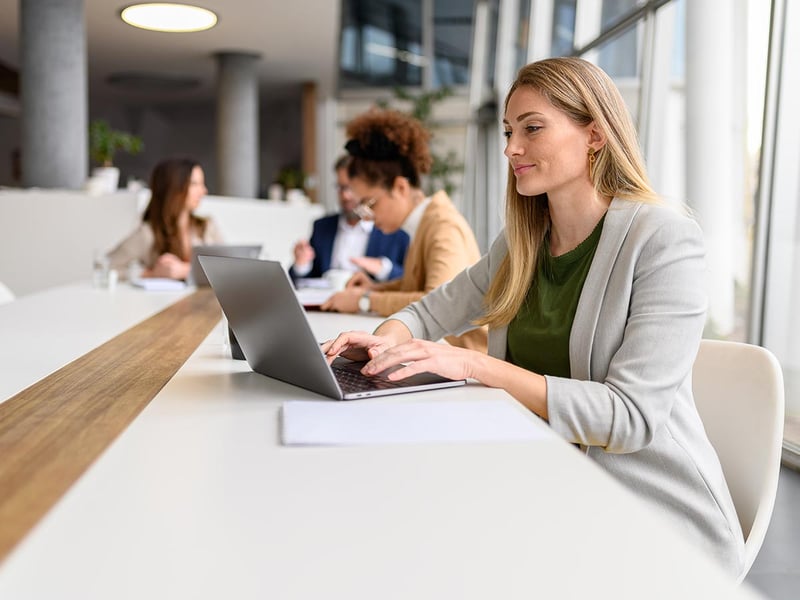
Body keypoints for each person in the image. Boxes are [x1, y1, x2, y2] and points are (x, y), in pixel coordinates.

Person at [323, 57, 745, 575]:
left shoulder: (662, 238)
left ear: (594, 134)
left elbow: (629, 419)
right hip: (538, 484)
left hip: (647, 519)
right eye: (507, 131)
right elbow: (430, 311)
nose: (510, 148)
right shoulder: (522, 243)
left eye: (532, 128)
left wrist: (475, 367)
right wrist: (382, 340)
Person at [321, 108, 487, 352]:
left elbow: (436, 303)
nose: (366, 215)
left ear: (400, 188)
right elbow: (416, 285)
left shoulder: (443, 226)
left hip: (465, 363)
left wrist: (365, 300)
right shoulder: (423, 225)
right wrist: (374, 288)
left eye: (370, 203)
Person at [289, 155, 409, 282]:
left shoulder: (393, 229)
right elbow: (305, 281)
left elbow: (411, 280)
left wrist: (383, 268)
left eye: (351, 188)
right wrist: (301, 265)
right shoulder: (322, 227)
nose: (345, 196)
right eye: (340, 188)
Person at [107, 157, 223, 280]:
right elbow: (105, 266)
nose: (204, 191)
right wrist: (151, 274)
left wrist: (184, 270)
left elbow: (226, 268)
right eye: (195, 184)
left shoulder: (206, 226)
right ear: (174, 188)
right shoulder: (148, 233)